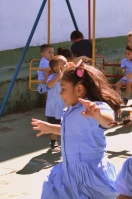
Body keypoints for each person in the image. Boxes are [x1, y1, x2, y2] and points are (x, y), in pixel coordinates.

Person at [31, 62, 123, 199]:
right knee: (51, 190)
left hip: (91, 173)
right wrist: (49, 128)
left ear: (79, 89)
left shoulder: (94, 107)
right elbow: (70, 131)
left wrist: (97, 114)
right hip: (68, 171)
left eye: (63, 89)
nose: (60, 94)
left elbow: (109, 122)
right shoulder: (70, 110)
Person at [44, 55, 69, 152]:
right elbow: (49, 85)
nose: (67, 64)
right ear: (56, 68)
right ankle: (53, 141)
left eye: (66, 62)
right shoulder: (53, 76)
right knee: (54, 125)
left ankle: (66, 143)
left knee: (65, 125)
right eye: (64, 63)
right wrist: (58, 74)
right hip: (54, 106)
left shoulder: (67, 75)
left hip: (64, 104)